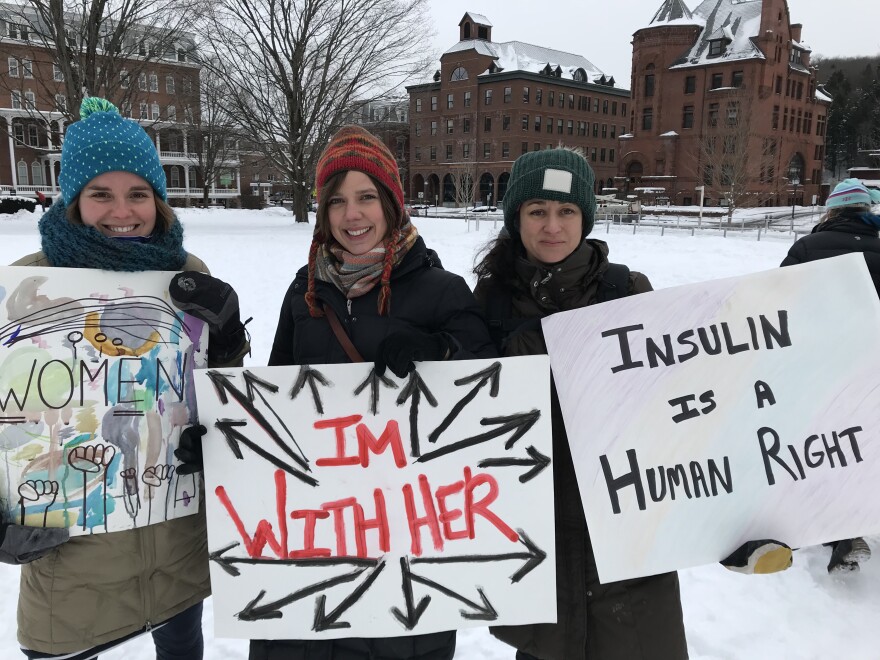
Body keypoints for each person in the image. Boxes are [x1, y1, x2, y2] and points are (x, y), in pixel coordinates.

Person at [473, 148, 792, 660]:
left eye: (567, 211)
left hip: (628, 543)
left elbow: (691, 411)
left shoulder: (628, 292)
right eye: (537, 211)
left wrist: (737, 513)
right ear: (516, 219)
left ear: (585, 217)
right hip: (539, 547)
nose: (552, 226)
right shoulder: (489, 303)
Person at [1, 96, 249, 660]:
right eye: (101, 194)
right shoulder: (23, 290)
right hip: (71, 570)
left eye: (138, 193)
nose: (123, 211)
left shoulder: (186, 277)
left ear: (157, 200)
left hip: (174, 551)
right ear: (73, 201)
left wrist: (228, 341)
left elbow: (216, 387)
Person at [257, 125, 496, 660]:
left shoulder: (442, 290)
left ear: (390, 203)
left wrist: (441, 350)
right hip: (318, 533)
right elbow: (272, 397)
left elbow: (488, 378)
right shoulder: (306, 291)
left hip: (411, 535)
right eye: (336, 201)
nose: (352, 215)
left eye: (366, 197)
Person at [781, 177, 880, 573]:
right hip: (872, 368)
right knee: (866, 444)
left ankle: (837, 527)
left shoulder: (808, 248)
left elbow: (778, 305)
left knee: (829, 445)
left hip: (821, 367)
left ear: (831, 210)